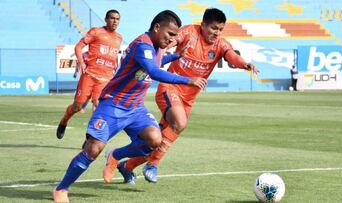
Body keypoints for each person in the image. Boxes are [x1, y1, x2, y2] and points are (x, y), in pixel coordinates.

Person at [52, 10, 207, 202]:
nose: (172, 39)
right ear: (157, 28)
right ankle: (61, 188)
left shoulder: (156, 46)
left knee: (154, 139)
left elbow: (156, 63)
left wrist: (175, 56)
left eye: (175, 36)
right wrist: (188, 80)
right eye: (170, 34)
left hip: (136, 108)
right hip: (113, 105)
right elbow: (153, 71)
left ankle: (115, 155)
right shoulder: (143, 45)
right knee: (93, 149)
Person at [114, 8, 260, 184]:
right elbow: (171, 40)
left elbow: (231, 56)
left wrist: (244, 64)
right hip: (170, 88)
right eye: (214, 28)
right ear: (203, 24)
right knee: (180, 123)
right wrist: (163, 48)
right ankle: (153, 164)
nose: (217, 33)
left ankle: (127, 166)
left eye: (220, 29)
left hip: (188, 98)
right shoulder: (189, 33)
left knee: (157, 141)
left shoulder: (220, 44)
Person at [56, 9, 122, 139]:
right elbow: (78, 47)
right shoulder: (96, 31)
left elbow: (114, 56)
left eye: (117, 19)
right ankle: (64, 121)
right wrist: (81, 62)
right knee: (77, 106)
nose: (115, 21)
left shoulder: (119, 37)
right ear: (106, 19)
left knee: (98, 107)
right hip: (90, 75)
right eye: (112, 18)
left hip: (105, 79)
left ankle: (90, 138)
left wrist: (115, 70)